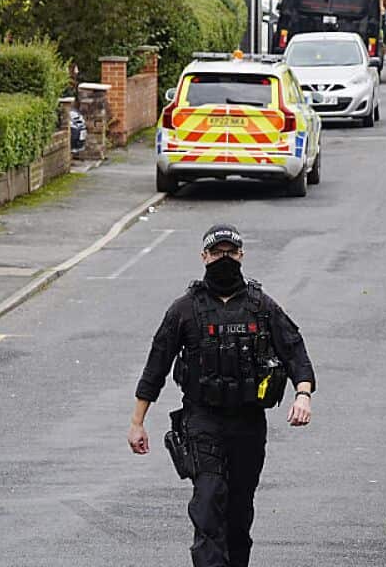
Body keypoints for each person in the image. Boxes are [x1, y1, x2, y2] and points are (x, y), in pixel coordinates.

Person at [127, 224, 316, 567]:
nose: (223, 259)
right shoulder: (184, 309)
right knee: (208, 502)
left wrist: (303, 394)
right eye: (217, 253)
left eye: (230, 252)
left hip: (248, 423)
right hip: (203, 421)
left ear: (241, 255)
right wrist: (137, 422)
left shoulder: (262, 306)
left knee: (239, 512)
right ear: (204, 257)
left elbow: (294, 351)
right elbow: (156, 366)